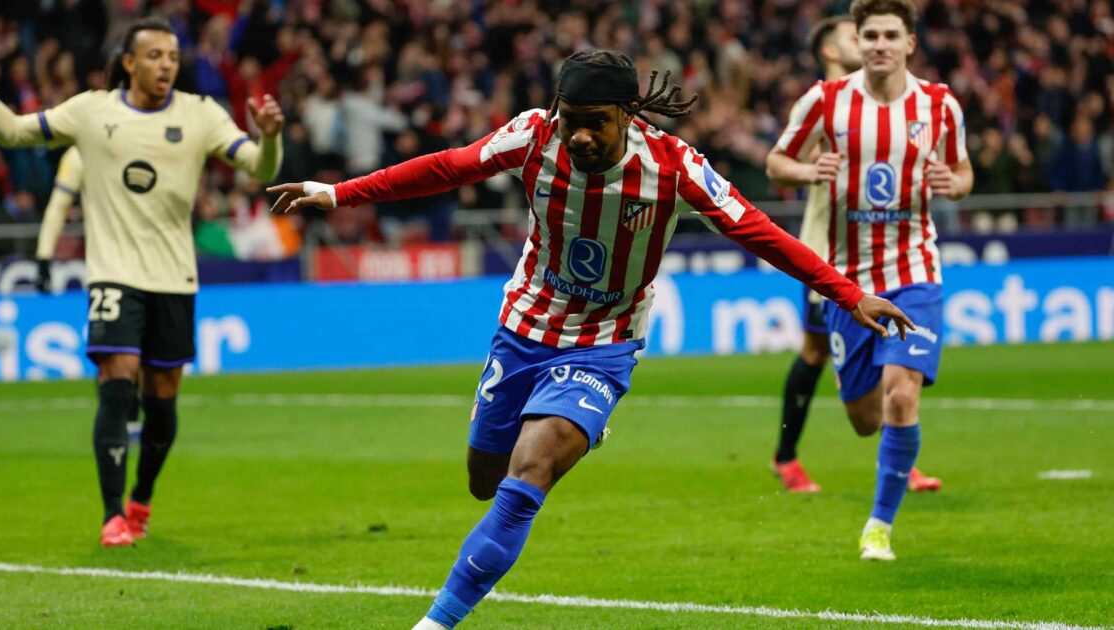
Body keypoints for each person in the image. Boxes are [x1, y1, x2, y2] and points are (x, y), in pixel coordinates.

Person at [269, 49, 913, 628]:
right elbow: (446, 167)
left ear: (628, 115)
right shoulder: (533, 135)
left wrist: (847, 293)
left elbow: (758, 230)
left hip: (604, 340)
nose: (577, 134)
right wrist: (337, 193)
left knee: (529, 475)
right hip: (525, 327)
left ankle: (436, 622)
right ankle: (577, 421)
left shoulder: (674, 166)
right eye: (569, 118)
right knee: (484, 479)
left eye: (595, 122)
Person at [0, 17, 285, 546]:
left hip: (174, 277)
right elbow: (11, 131)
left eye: (172, 57)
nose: (165, 65)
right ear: (129, 62)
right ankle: (112, 514)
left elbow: (261, 169)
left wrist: (271, 138)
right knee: (117, 380)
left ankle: (141, 497)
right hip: (113, 275)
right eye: (154, 56)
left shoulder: (200, 115)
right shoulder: (91, 111)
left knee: (162, 400)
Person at [766, 0, 973, 560]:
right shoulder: (824, 101)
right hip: (846, 282)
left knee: (902, 393)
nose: (881, 44)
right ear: (857, 42)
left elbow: (964, 172)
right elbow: (776, 162)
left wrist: (953, 184)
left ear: (910, 43)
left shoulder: (939, 104)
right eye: (872, 35)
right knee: (864, 417)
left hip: (914, 269)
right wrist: (809, 170)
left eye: (891, 35)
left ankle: (879, 526)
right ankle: (891, 447)